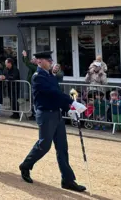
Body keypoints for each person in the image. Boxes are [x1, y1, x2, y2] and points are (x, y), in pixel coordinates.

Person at [19, 51, 87, 192]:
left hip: (56, 114)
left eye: (51, 59)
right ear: (39, 62)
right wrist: (71, 102)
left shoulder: (50, 76)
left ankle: (67, 180)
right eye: (47, 59)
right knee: (44, 144)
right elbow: (53, 93)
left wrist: (68, 108)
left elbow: (56, 96)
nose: (51, 61)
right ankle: (26, 165)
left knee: (62, 147)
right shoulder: (38, 77)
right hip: (45, 114)